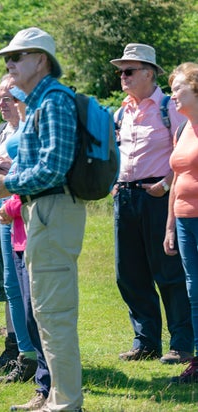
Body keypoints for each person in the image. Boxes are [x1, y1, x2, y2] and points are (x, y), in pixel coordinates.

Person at [0, 27, 85, 411]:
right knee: (44, 310)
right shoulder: (42, 102)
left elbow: (53, 168)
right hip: (43, 209)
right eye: (8, 56)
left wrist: (7, 184)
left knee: (54, 312)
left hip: (54, 208)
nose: (9, 62)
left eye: (18, 56)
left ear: (41, 60)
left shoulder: (54, 101)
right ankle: (56, 396)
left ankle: (66, 403)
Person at [110, 43, 192, 365]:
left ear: (148, 73)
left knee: (169, 271)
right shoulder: (121, 112)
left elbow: (185, 153)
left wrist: (166, 185)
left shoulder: (168, 107)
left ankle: (182, 343)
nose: (123, 77)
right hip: (125, 197)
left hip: (157, 197)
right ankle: (145, 341)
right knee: (128, 273)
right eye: (121, 72)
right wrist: (113, 186)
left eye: (129, 71)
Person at [0, 75, 37, 384]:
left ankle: (39, 357)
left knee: (31, 288)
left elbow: (36, 171)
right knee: (11, 286)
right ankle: (24, 355)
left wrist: (8, 171)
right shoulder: (0, 133)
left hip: (26, 213)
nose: (3, 103)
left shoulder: (35, 129)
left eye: (9, 97)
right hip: (4, 212)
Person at [0, 92, 51, 410]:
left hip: (35, 230)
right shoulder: (28, 124)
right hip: (20, 233)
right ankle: (44, 388)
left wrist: (9, 199)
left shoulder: (41, 125)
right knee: (31, 316)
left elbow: (39, 175)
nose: (11, 103)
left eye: (16, 97)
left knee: (41, 315)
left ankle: (49, 389)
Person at [164, 62, 198, 384]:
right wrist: (170, 225)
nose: (172, 94)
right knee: (194, 290)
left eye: (178, 88)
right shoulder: (181, 129)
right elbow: (177, 178)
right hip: (186, 220)